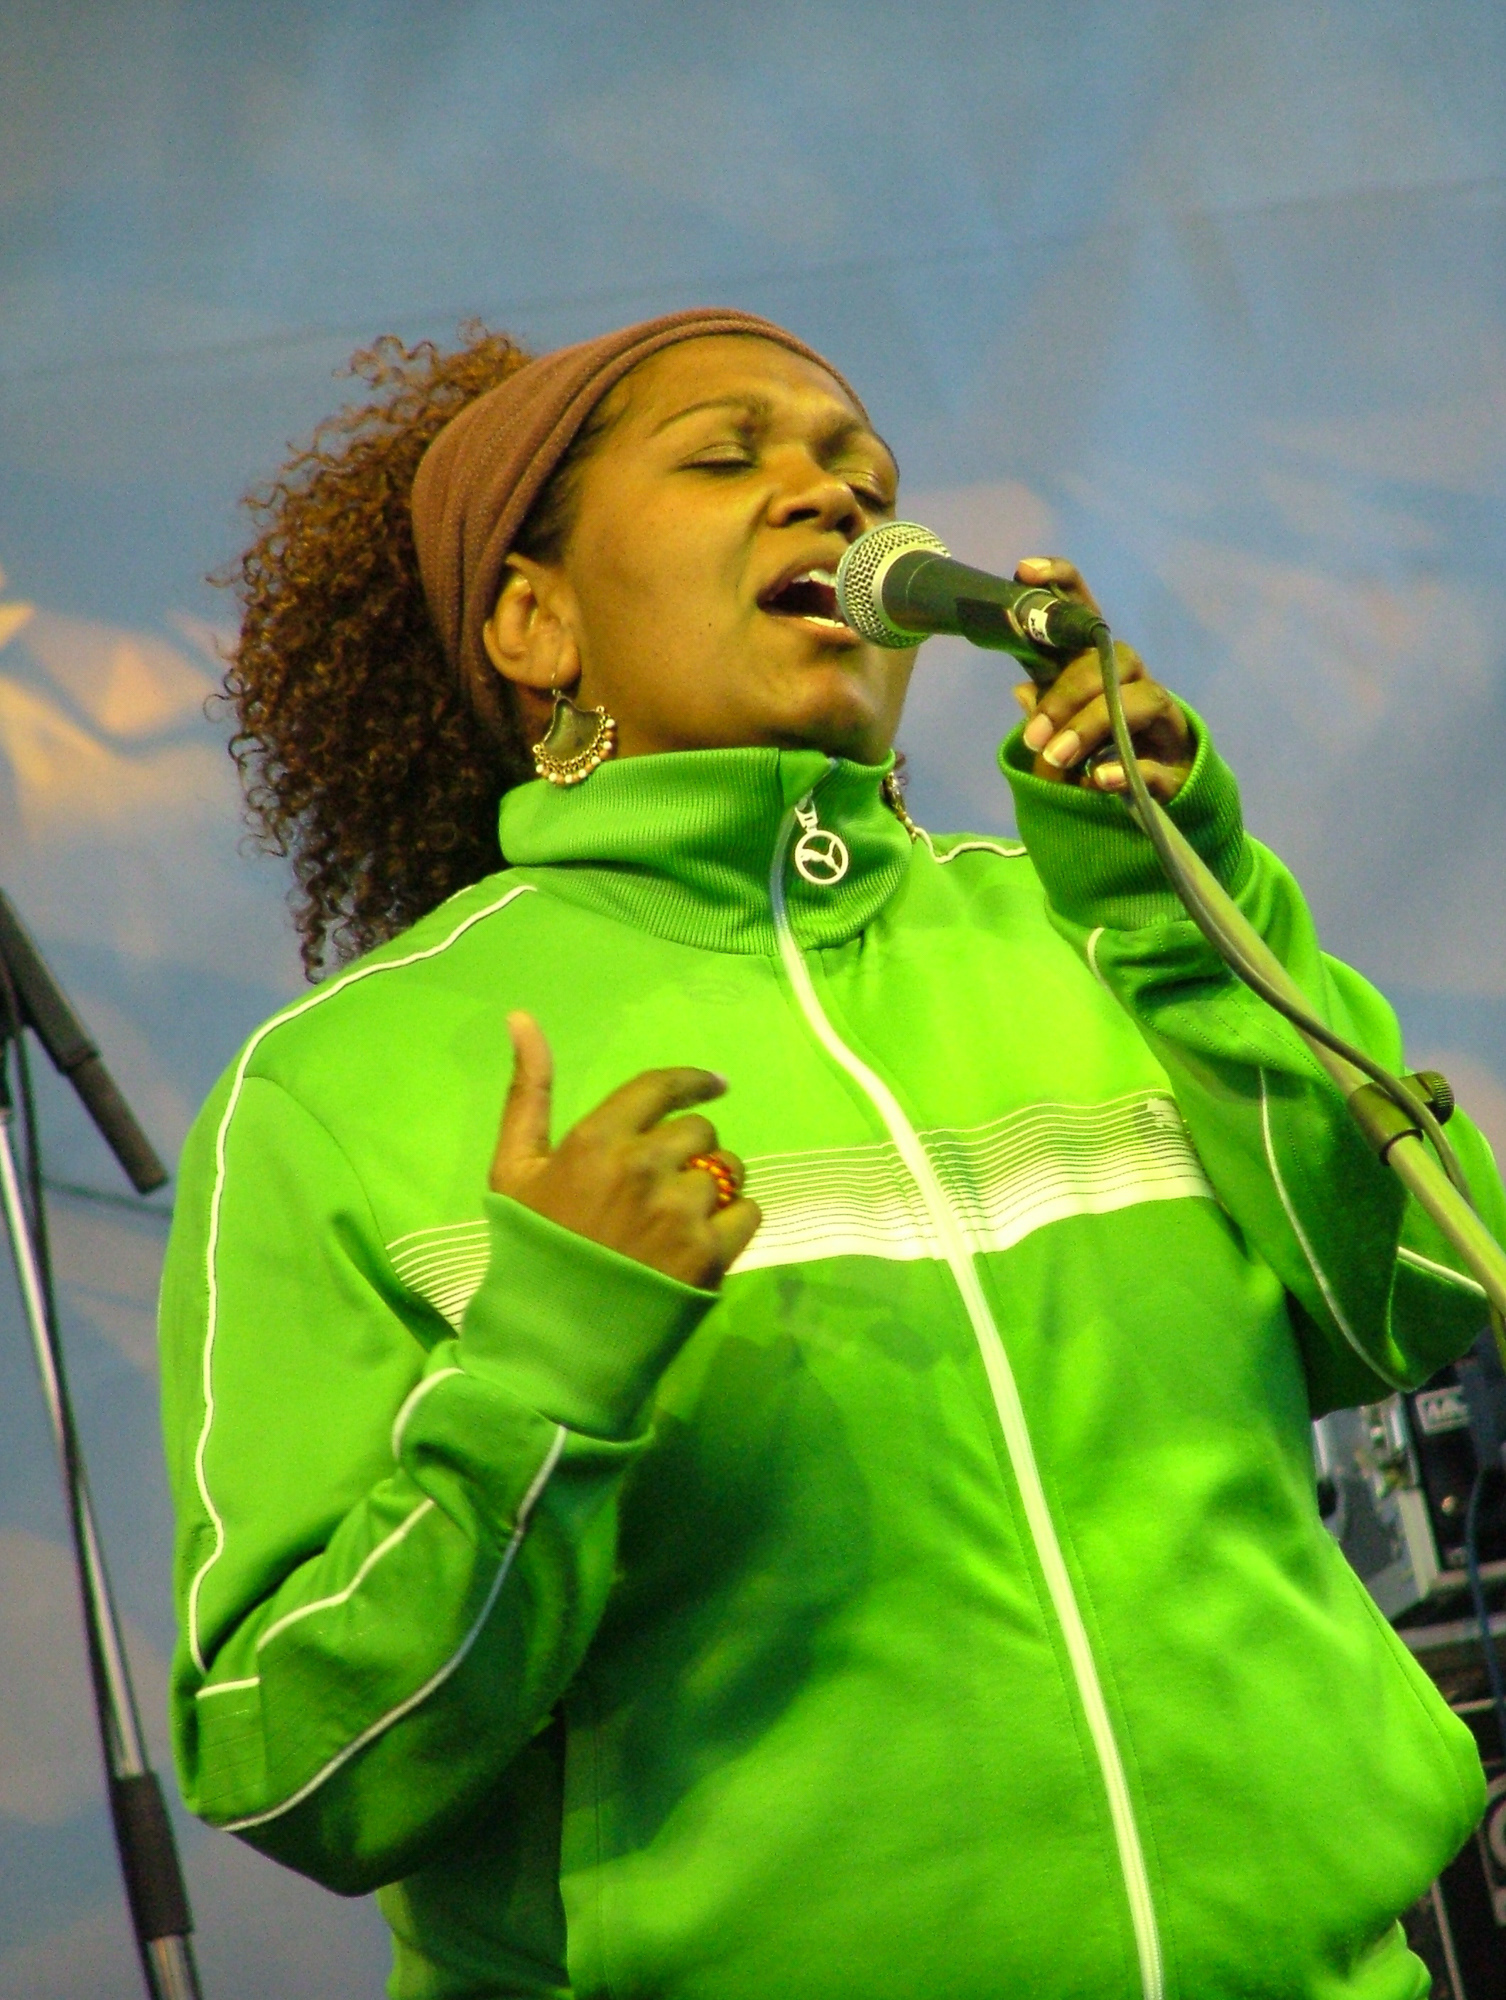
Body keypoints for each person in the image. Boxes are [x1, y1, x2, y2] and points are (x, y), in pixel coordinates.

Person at [159, 306, 1506, 2000]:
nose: (831, 495)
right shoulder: (338, 1085)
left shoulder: (1089, 930)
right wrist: (548, 1368)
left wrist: (1180, 903)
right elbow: (290, 1763)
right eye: (726, 459)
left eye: (862, 472)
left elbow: (1422, 1293)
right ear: (533, 619)